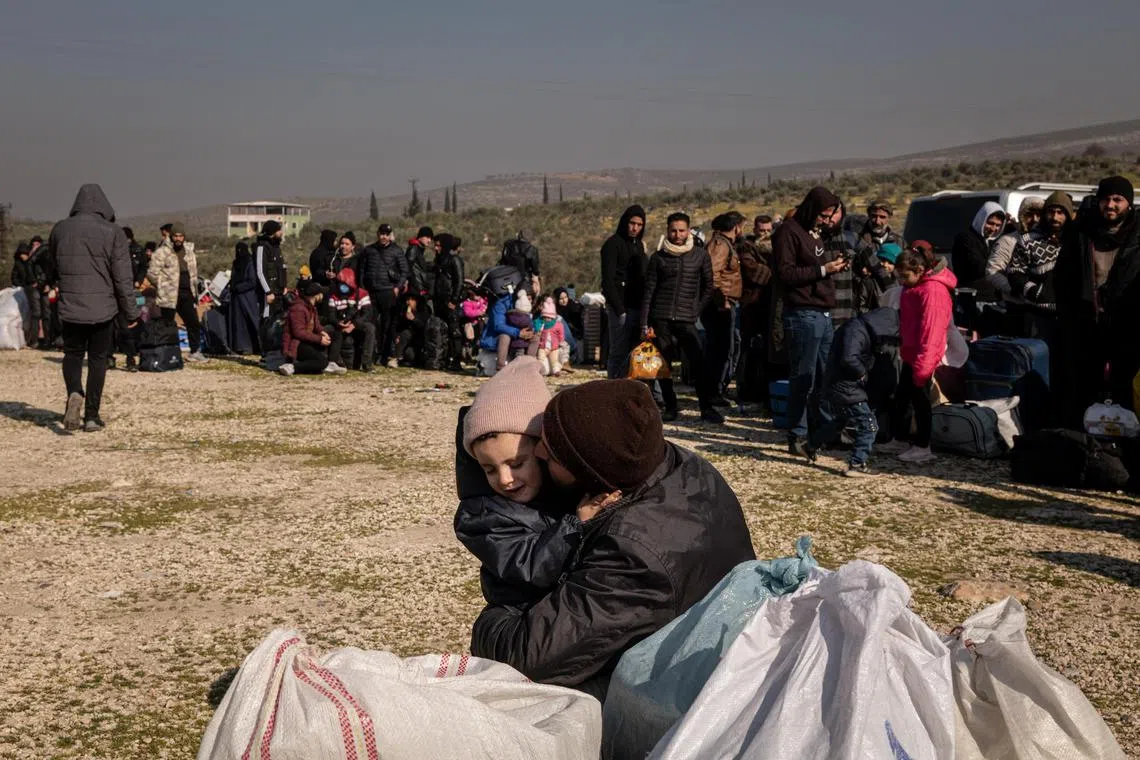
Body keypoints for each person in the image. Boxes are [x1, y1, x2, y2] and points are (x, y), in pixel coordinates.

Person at [469, 379, 756, 695]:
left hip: (678, 693)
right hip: (715, 644)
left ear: (589, 472)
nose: (537, 450)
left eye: (550, 452)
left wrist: (497, 610)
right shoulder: (679, 464)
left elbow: (525, 659)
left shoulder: (633, 555)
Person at [454, 357, 587, 608]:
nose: (505, 479)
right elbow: (529, 567)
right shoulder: (482, 515)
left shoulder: (566, 486)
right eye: (489, 469)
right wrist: (577, 524)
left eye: (516, 464)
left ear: (544, 450)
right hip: (523, 613)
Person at [43, 184, 140, 432]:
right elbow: (122, 278)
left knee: (73, 354)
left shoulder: (60, 229)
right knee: (98, 359)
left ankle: (75, 392)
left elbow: (52, 267)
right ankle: (92, 416)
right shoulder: (114, 232)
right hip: (103, 308)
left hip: (71, 306)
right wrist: (131, 312)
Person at [1055, 175, 1140, 424]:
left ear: (1129, 203)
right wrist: (1069, 316)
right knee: (1084, 386)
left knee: (1125, 384)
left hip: (1128, 325)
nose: (1110, 205)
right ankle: (1084, 444)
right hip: (1086, 324)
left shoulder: (1137, 234)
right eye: (1105, 199)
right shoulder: (1081, 232)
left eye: (1117, 199)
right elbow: (1063, 278)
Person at [773, 186, 849, 455]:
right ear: (812, 210)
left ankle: (827, 431)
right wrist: (823, 269)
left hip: (822, 314)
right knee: (803, 377)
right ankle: (798, 434)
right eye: (823, 215)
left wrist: (832, 267)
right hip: (803, 314)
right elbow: (786, 274)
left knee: (827, 376)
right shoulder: (787, 233)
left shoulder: (813, 234)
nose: (826, 221)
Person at [640, 212, 721, 423]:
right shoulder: (659, 258)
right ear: (667, 231)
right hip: (662, 317)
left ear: (688, 230)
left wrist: (697, 310)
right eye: (673, 230)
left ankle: (706, 407)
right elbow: (649, 291)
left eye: (681, 230)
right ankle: (671, 406)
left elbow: (708, 286)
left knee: (698, 363)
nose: (677, 235)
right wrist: (645, 323)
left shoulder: (700, 255)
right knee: (663, 365)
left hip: (687, 318)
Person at [804, 307, 900, 477]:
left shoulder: (858, 328)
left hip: (839, 384)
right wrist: (862, 373)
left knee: (840, 422)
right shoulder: (857, 331)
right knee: (869, 424)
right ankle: (856, 463)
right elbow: (849, 358)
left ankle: (811, 444)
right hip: (846, 386)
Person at [893, 242, 957, 464]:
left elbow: (932, 333)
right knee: (904, 396)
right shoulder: (914, 287)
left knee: (921, 402)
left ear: (919, 271)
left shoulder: (933, 291)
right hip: (911, 352)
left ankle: (923, 445)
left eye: (904, 276)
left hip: (925, 356)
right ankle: (900, 438)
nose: (901, 281)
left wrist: (923, 368)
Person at [1006, 191, 1072, 344]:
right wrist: (1035, 292)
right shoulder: (1028, 240)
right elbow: (1015, 273)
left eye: (1060, 212)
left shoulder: (1076, 240)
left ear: (1068, 214)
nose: (1055, 217)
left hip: (1069, 317)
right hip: (1038, 315)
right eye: (1051, 212)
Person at [599, 205, 647, 378]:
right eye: (632, 223)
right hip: (620, 307)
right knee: (618, 352)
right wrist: (620, 310)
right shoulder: (612, 245)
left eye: (639, 224)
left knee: (636, 352)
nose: (635, 228)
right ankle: (614, 390)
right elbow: (608, 281)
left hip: (637, 306)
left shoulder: (639, 246)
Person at [150, 222, 207, 363]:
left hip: (186, 293)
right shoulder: (162, 252)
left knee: (193, 322)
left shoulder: (189, 251)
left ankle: (195, 351)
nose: (178, 239)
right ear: (171, 236)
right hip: (169, 295)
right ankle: (166, 352)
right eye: (175, 235)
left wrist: (194, 291)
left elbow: (193, 272)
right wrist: (163, 286)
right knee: (167, 325)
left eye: (181, 236)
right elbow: (152, 273)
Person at [704, 212, 744, 406]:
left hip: (724, 303)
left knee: (724, 348)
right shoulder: (720, 245)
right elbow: (713, 273)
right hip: (721, 305)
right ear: (736, 226)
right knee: (719, 349)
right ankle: (713, 391)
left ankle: (716, 390)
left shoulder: (724, 244)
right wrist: (723, 299)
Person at [735, 216, 774, 405]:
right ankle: (744, 390)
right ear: (755, 229)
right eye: (761, 230)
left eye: (768, 230)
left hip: (769, 305)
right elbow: (751, 271)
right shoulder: (746, 247)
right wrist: (774, 273)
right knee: (747, 348)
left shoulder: (774, 248)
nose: (764, 234)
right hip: (750, 304)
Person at [357, 223, 407, 366]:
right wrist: (362, 289)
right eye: (381, 234)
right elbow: (361, 270)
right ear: (378, 234)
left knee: (388, 325)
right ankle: (369, 355)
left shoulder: (397, 251)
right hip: (371, 292)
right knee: (370, 324)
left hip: (388, 291)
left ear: (390, 235)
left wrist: (398, 287)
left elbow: (404, 271)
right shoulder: (369, 251)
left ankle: (385, 355)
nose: (383, 237)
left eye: (386, 234)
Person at [279, 281, 344, 376]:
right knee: (321, 362)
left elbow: (316, 325)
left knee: (336, 334)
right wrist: (319, 339)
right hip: (296, 344)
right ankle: (292, 367)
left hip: (307, 340)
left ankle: (331, 363)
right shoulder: (298, 308)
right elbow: (298, 333)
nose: (323, 295)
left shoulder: (312, 308)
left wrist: (322, 332)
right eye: (321, 293)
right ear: (316, 295)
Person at [325, 260, 376, 372]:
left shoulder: (362, 294)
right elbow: (331, 315)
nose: (343, 287)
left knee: (370, 328)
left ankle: (366, 363)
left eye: (346, 285)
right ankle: (332, 361)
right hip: (339, 325)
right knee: (326, 330)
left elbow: (367, 314)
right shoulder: (333, 296)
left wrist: (353, 324)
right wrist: (338, 323)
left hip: (356, 324)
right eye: (341, 284)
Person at [951, 202, 1005, 299]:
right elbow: (979, 267)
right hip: (973, 297)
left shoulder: (990, 241)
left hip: (990, 296)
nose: (994, 228)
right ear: (982, 219)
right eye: (990, 223)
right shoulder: (965, 238)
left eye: (998, 225)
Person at [988, 197, 1044, 283]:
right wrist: (1016, 290)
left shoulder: (1049, 240)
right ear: (1022, 216)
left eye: (1039, 215)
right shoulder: (1008, 241)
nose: (1035, 219)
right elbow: (992, 272)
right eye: (1029, 215)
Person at [479, 288, 536, 373]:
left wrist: (531, 332)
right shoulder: (501, 304)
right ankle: (500, 367)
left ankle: (528, 366)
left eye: (530, 299)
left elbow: (530, 324)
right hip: (497, 341)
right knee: (504, 336)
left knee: (535, 337)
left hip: (519, 342)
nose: (528, 301)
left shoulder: (527, 309)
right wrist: (518, 333)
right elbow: (498, 325)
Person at [431, 233, 466, 371]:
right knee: (442, 331)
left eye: (438, 245)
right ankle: (443, 359)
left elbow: (459, 281)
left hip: (450, 301)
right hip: (439, 301)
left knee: (454, 331)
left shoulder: (454, 260)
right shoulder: (439, 260)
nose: (435, 248)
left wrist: (454, 300)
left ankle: (456, 360)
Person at [253, 220, 287, 353]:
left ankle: (275, 351)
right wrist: (268, 292)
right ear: (273, 232)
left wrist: (283, 286)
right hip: (268, 294)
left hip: (279, 292)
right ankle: (265, 353)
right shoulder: (262, 247)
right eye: (279, 230)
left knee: (277, 321)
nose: (281, 232)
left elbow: (281, 268)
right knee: (267, 321)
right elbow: (260, 272)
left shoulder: (276, 247)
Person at [227, 241, 261, 355]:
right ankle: (239, 347)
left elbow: (252, 281)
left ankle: (253, 347)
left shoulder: (249, 262)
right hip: (236, 298)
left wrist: (239, 287)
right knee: (238, 323)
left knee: (250, 322)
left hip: (247, 297)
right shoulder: (236, 263)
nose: (239, 253)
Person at [10, 242, 42, 347]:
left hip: (31, 290)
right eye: (21, 254)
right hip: (22, 290)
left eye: (25, 254)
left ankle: (33, 338)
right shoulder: (18, 265)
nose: (23, 256)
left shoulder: (32, 264)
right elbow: (14, 277)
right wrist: (20, 285)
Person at [501, 228, 541, 295]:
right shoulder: (532, 250)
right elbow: (535, 268)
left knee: (510, 296)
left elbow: (504, 259)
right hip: (524, 279)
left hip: (508, 277)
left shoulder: (508, 245)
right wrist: (536, 278)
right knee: (524, 297)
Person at [533, 296, 565, 376]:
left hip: (554, 347)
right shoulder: (540, 324)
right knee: (540, 358)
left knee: (554, 360)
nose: (547, 319)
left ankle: (556, 371)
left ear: (553, 317)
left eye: (549, 317)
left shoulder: (558, 324)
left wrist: (561, 341)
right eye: (545, 317)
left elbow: (561, 333)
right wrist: (538, 331)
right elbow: (536, 330)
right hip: (542, 347)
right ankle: (539, 370)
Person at [406, 226, 435, 297]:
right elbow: (407, 267)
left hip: (419, 288)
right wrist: (418, 287)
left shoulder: (419, 249)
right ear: (420, 236)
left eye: (431, 238)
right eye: (427, 237)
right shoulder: (414, 248)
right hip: (415, 289)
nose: (429, 240)